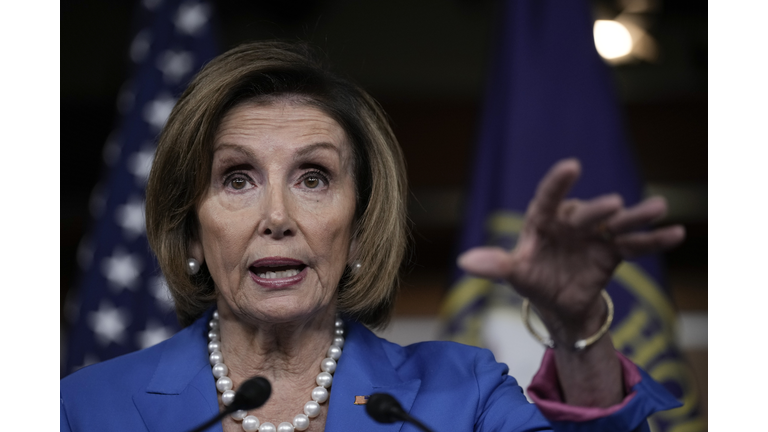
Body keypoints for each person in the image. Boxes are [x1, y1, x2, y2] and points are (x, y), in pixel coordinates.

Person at [60, 41, 685, 432]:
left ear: (360, 229)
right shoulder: (83, 410)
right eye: (237, 178)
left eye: (313, 178)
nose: (276, 216)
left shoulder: (460, 395)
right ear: (192, 234)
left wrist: (575, 328)